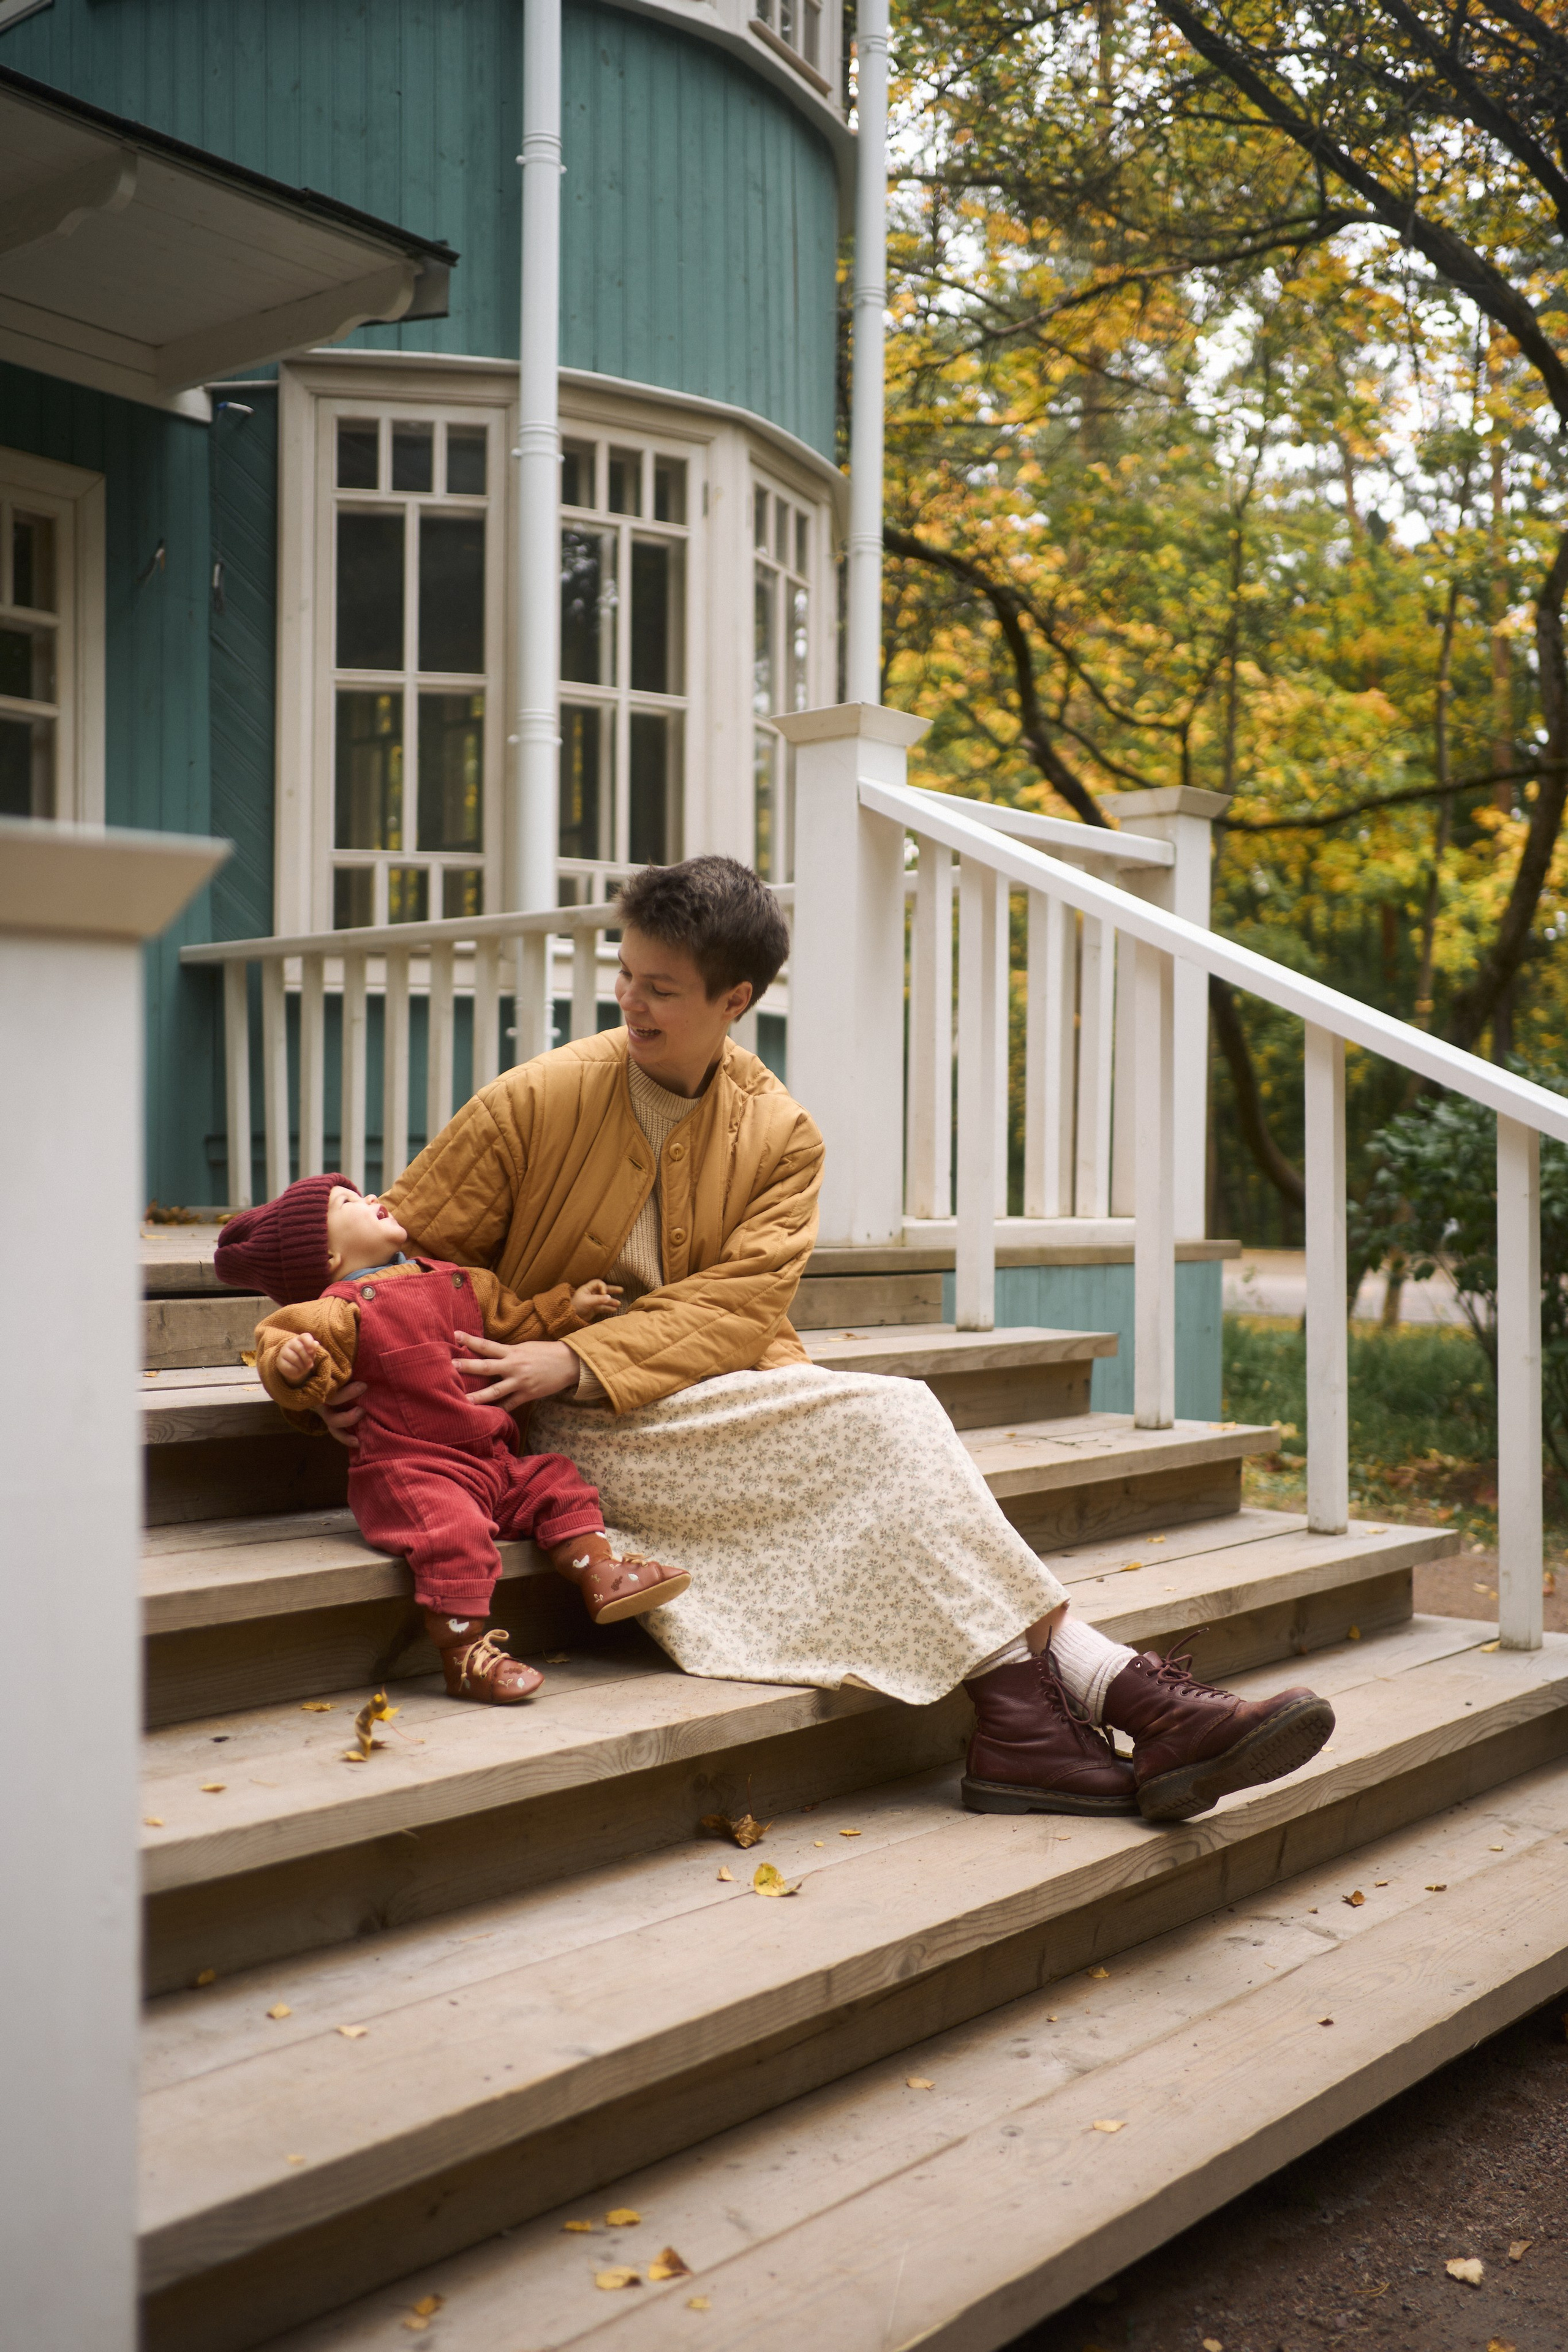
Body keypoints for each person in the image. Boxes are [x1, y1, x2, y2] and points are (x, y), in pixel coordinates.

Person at [312, 854, 1333, 1822]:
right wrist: (341, 1375)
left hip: (708, 1405)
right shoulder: (534, 1100)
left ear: (734, 1001)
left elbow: (744, 1307)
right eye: (625, 975)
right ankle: (1114, 1701)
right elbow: (391, 1253)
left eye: (662, 988)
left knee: (886, 1435)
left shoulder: (781, 1135)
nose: (631, 1002)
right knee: (893, 1418)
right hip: (550, 1432)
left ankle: (1043, 1720)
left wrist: (584, 1351)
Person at [213, 1175, 689, 1703]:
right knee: (454, 1535)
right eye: (348, 1202)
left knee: (557, 1479)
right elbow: (277, 1341)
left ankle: (599, 1573)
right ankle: (465, 1657)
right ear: (326, 1256)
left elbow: (516, 1321)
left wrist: (566, 1309)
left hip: (491, 1458)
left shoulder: (461, 1281)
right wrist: (292, 1366)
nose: (371, 1198)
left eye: (361, 1192)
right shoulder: (335, 1310)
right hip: (412, 1473)